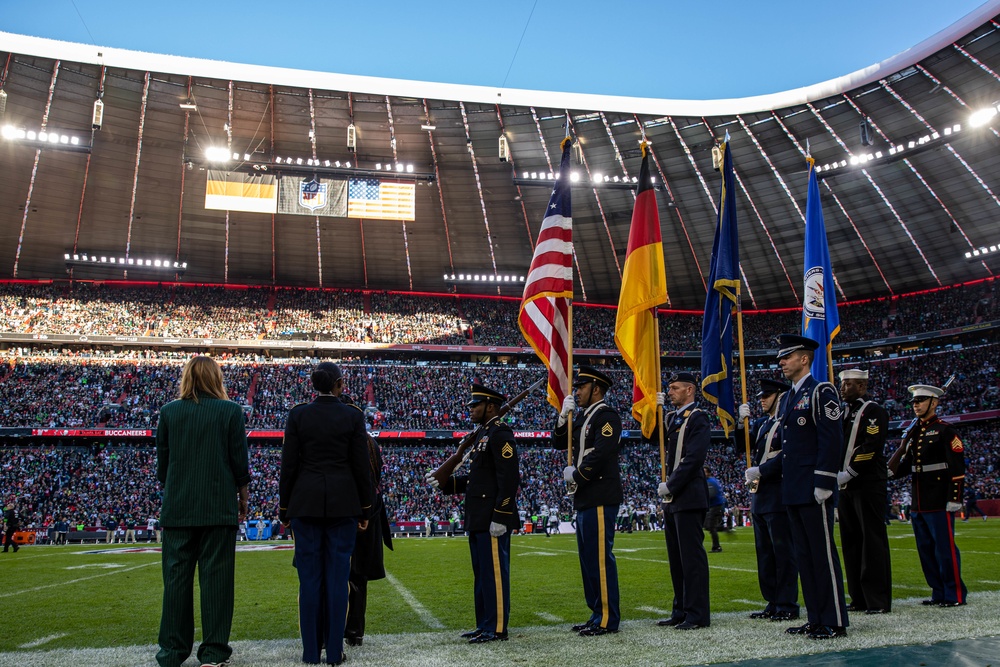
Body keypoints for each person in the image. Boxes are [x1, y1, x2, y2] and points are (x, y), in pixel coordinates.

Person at [749, 334, 848, 640]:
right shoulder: (792, 396)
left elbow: (832, 439)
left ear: (804, 359)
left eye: (787, 357)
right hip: (792, 489)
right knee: (805, 557)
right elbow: (789, 451)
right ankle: (816, 618)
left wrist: (824, 481)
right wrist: (762, 470)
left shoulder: (822, 391)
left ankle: (834, 620)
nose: (781, 362)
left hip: (813, 488)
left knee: (822, 555)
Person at [155, 355, 251, 667]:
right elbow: (239, 463)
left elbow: (162, 468)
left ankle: (172, 652)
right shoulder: (230, 411)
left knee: (176, 580)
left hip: (179, 507)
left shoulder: (169, 412)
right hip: (217, 506)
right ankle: (213, 652)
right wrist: (243, 498)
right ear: (216, 378)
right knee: (217, 581)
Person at [280, 361, 373, 665]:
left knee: (309, 581)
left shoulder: (298, 415)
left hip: (305, 505)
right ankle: (334, 651)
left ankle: (310, 653)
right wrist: (365, 507)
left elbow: (289, 466)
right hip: (343, 505)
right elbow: (362, 466)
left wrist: (284, 508)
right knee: (337, 580)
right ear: (339, 384)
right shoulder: (352, 416)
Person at [427, 383, 521, 644]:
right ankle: (484, 624)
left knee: (494, 575)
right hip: (479, 516)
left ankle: (497, 627)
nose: (470, 409)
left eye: (475, 405)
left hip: (492, 517)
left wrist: (501, 516)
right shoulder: (483, 434)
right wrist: (447, 483)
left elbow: (509, 478)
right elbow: (478, 480)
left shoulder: (500, 434)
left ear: (491, 406)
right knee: (482, 576)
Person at [553, 366, 624, 637]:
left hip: (599, 496)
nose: (576, 392)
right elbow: (559, 443)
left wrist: (577, 476)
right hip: (585, 498)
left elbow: (603, 453)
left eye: (581, 387)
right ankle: (596, 613)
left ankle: (607, 618)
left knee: (600, 560)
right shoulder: (581, 418)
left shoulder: (606, 416)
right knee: (588, 561)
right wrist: (562, 418)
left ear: (596, 389)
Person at [888, 383, 967, 607]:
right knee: (925, 550)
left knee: (944, 548)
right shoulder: (915, 432)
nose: (916, 405)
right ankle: (938, 592)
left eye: (921, 401)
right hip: (918, 500)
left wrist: (954, 498)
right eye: (914, 401)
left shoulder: (945, 430)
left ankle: (955, 595)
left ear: (934, 403)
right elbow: (907, 465)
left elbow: (957, 468)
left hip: (939, 498)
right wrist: (886, 471)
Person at [738, 378, 800, 623]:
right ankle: (772, 601)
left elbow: (789, 455)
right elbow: (741, 446)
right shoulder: (763, 424)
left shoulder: (788, 422)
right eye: (761, 396)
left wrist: (762, 471)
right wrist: (739, 426)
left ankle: (787, 603)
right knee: (765, 553)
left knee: (783, 552)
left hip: (779, 492)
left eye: (767, 395)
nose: (762, 400)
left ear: (780, 396)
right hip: (761, 495)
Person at [655, 372, 711, 630]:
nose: (670, 392)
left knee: (692, 560)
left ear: (690, 390)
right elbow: (651, 439)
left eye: (675, 388)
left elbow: (694, 458)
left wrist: (671, 485)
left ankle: (697, 614)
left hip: (688, 496)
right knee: (676, 560)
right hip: (673, 499)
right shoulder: (671, 418)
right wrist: (650, 411)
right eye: (669, 388)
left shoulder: (698, 418)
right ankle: (680, 610)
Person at [836, 369, 892, 615]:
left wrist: (851, 471)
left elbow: (872, 446)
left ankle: (877, 599)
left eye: (848, 384)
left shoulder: (873, 411)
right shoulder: (841, 413)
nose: (843, 388)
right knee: (851, 541)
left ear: (861, 385)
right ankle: (858, 597)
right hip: (845, 486)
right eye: (842, 384)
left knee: (872, 540)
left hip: (867, 482)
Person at [341, 394, 394, 648]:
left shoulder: (344, 440)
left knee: (338, 574)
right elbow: (376, 479)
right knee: (358, 576)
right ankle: (355, 631)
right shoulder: (370, 443)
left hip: (349, 513)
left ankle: (336, 628)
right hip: (368, 514)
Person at [704, 469, 726, 553]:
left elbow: (711, 494)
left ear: (709, 473)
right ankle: (721, 528)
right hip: (716, 505)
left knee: (710, 526)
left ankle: (716, 546)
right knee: (708, 525)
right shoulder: (713, 480)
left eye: (705, 471)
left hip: (714, 506)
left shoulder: (710, 482)